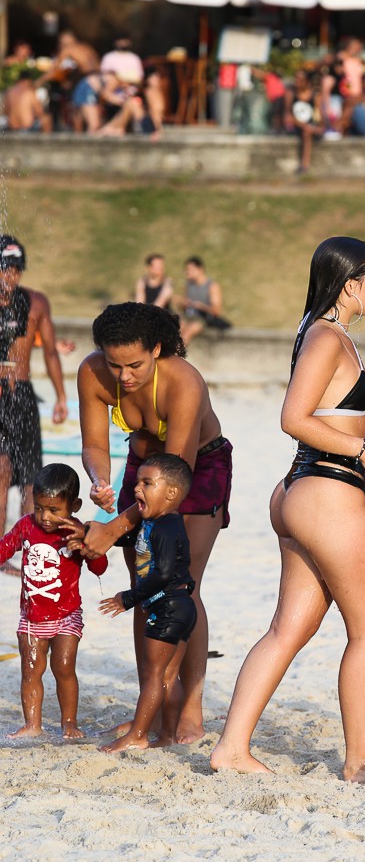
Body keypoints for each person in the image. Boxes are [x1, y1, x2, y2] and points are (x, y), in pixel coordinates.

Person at [210, 236, 365, 784]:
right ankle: (361, 761)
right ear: (350, 284)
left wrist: (361, 411)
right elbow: (293, 417)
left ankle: (232, 748)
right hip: (327, 495)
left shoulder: (319, 331)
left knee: (288, 629)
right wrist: (363, 448)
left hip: (303, 492)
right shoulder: (325, 337)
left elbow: (321, 409)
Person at [76, 302, 233, 744]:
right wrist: (100, 480)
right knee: (144, 587)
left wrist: (113, 528)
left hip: (195, 469)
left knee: (181, 585)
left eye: (135, 365)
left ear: (157, 350)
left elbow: (175, 480)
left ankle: (190, 711)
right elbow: (94, 444)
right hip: (144, 467)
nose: (124, 376)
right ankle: (152, 707)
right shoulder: (92, 373)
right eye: (115, 365)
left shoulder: (183, 381)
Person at [96, 454, 196, 753]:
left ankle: (138, 735)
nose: (137, 488)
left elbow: (163, 574)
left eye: (147, 483)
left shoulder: (167, 527)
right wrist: (91, 532)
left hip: (167, 608)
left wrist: (127, 599)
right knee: (168, 676)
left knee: (154, 675)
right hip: (180, 607)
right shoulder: (153, 523)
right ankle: (167, 736)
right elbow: (126, 540)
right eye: (138, 481)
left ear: (171, 493)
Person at [0, 463, 108, 739]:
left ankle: (69, 722)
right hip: (31, 618)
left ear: (74, 506)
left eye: (53, 510)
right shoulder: (26, 526)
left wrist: (86, 546)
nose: (45, 517)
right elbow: (4, 549)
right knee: (30, 670)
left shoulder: (77, 531)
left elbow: (100, 568)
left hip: (66, 616)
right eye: (39, 508)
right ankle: (32, 724)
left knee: (63, 668)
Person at [0, 236, 68, 545]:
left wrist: (61, 396)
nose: (10, 276)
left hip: (23, 395)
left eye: (15, 269)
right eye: (4, 269)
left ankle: (27, 550)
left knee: (30, 478)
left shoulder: (36, 302)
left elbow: (51, 352)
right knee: (2, 473)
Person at [174, 256, 231, 345]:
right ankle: (172, 350)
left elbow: (216, 311)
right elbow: (183, 306)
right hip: (188, 315)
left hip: (202, 318)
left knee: (189, 331)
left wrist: (200, 306)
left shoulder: (211, 286)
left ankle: (177, 351)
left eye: (190, 269)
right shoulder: (189, 284)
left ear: (200, 269)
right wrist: (182, 303)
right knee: (178, 326)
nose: (187, 272)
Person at [283, 68, 325, 174]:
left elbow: (320, 115)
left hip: (311, 126)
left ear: (307, 81)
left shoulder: (315, 95)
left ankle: (305, 165)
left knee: (307, 132)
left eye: (300, 79)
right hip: (296, 126)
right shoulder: (290, 93)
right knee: (306, 132)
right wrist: (304, 126)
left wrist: (319, 127)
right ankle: (304, 165)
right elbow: (288, 116)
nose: (297, 82)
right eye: (296, 79)